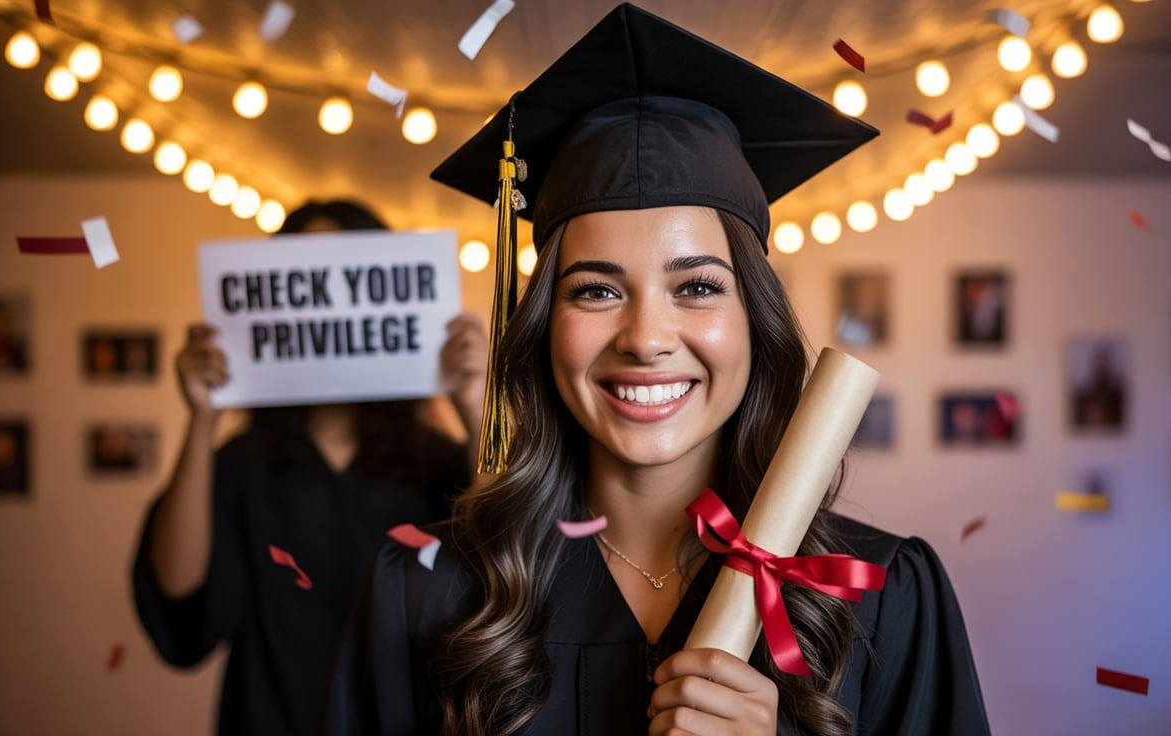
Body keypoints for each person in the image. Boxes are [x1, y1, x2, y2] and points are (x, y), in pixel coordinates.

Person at [329, 5, 988, 735]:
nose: (646, 338)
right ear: (545, 324)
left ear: (754, 321)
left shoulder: (877, 596)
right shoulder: (427, 595)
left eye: (697, 286)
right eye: (596, 290)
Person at [130, 199, 487, 735]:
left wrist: (474, 401)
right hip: (270, 718)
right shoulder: (240, 464)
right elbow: (180, 594)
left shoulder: (436, 459)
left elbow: (507, 566)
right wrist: (202, 417)